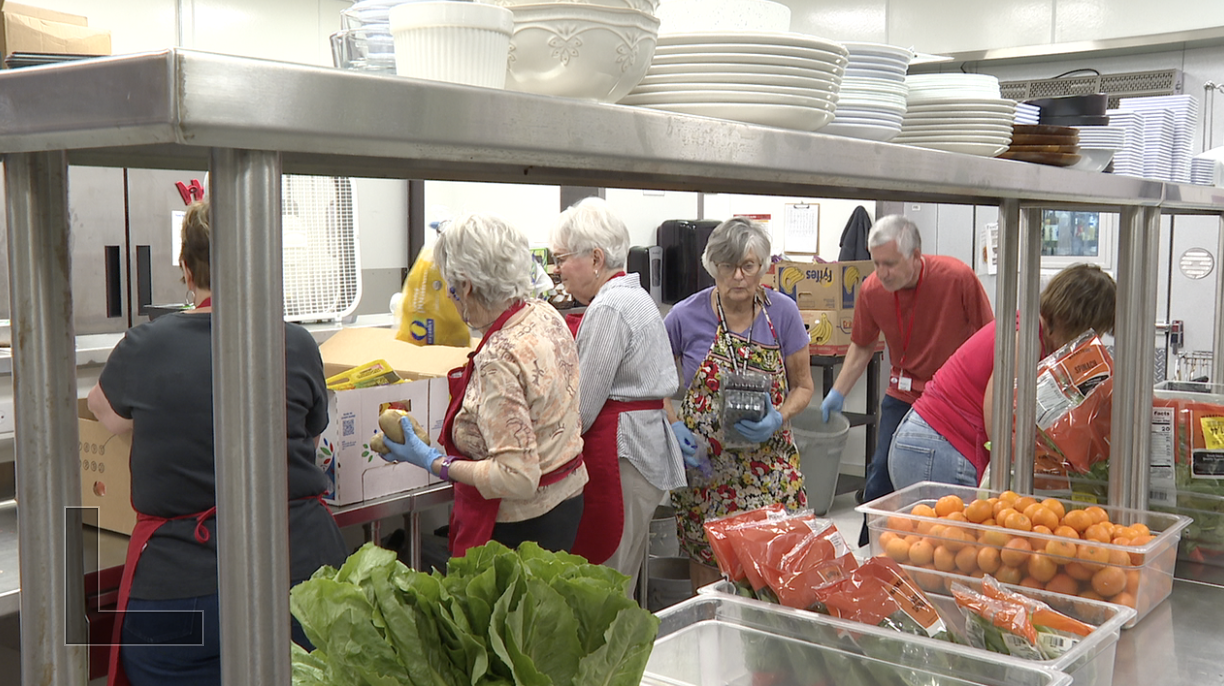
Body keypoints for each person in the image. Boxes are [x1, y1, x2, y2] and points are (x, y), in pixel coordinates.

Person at [90, 201, 347, 686]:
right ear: (258, 262)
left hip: (180, 591)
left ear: (187, 270)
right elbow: (312, 434)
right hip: (303, 575)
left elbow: (104, 413)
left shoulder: (145, 345)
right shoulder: (294, 343)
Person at [380, 212, 589, 557]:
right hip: (565, 503)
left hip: (519, 526)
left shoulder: (499, 356)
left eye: (450, 287)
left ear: (466, 286)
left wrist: (434, 461)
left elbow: (516, 477)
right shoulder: (544, 313)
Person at [818, 215, 993, 543]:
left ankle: (947, 548)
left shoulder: (957, 278)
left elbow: (990, 337)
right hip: (904, 393)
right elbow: (863, 344)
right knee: (881, 474)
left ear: (917, 256)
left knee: (951, 486)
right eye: (876, 263)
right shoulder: (872, 289)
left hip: (953, 399)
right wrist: (838, 392)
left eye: (890, 264)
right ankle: (871, 552)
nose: (882, 273)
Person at [664, 216, 815, 589]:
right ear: (712, 266)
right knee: (709, 568)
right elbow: (655, 387)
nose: (738, 277)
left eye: (748, 266)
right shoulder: (684, 317)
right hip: (706, 474)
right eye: (728, 266)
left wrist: (777, 418)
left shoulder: (783, 314)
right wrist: (674, 425)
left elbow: (804, 387)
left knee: (776, 571)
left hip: (770, 470)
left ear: (761, 268)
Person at [549, 197, 687, 587]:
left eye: (562, 259)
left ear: (594, 258)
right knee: (621, 575)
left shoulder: (610, 307)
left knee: (604, 583)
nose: (558, 271)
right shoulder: (635, 297)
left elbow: (583, 407)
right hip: (640, 446)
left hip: (620, 451)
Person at [889, 263, 1116, 489]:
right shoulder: (1026, 339)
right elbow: (1000, 416)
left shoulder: (1037, 334)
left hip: (933, 443)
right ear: (1078, 320)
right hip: (939, 446)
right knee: (954, 525)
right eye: (1095, 330)